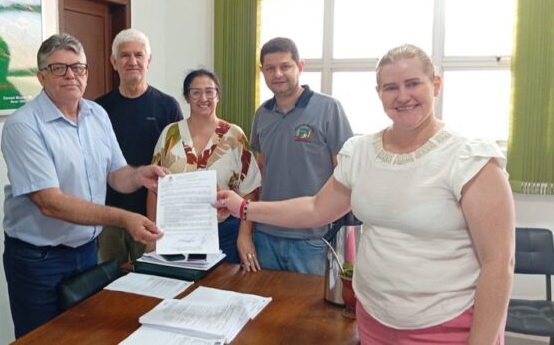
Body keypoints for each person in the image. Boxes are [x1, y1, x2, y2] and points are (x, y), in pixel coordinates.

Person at [217, 44, 514, 344]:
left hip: (447, 328)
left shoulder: (470, 158)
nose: (402, 96)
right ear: (379, 93)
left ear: (436, 85)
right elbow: (315, 209)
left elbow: (498, 264)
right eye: (391, 87)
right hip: (373, 322)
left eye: (413, 84)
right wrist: (243, 208)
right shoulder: (361, 152)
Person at [1, 33, 167, 338]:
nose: (71, 75)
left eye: (78, 67)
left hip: (87, 252)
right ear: (41, 76)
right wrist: (123, 218)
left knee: (86, 335)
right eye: (59, 68)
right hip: (40, 260)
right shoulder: (23, 125)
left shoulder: (96, 114)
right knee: (42, 339)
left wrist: (140, 175)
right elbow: (50, 203)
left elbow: (117, 173)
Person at [250, 37, 353, 274]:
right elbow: (260, 170)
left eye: (285, 66)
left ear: (300, 66)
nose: (278, 74)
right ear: (262, 71)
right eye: (270, 68)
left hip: (313, 238)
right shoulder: (262, 114)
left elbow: (344, 173)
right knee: (264, 296)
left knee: (313, 299)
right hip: (266, 234)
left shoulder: (329, 108)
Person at [148, 69, 261, 267]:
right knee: (180, 284)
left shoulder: (234, 136)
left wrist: (245, 235)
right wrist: (152, 236)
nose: (203, 98)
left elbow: (250, 189)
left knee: (224, 285)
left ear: (218, 96)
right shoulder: (170, 134)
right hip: (177, 233)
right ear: (186, 97)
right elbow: (154, 187)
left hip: (225, 233)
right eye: (196, 92)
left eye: (210, 91)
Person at [96, 28, 183, 266]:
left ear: (149, 60)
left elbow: (178, 162)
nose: (132, 61)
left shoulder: (168, 107)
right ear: (114, 62)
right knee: (108, 281)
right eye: (125, 55)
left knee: (152, 278)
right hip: (110, 216)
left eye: (139, 55)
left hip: (153, 217)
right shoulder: (98, 109)